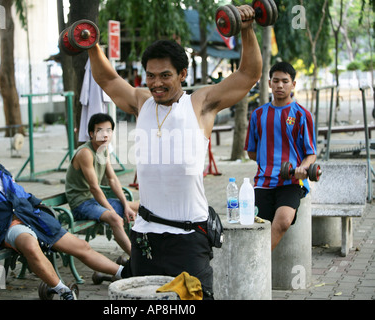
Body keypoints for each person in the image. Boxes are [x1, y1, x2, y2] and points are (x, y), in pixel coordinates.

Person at [87, 5, 262, 299]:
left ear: (182, 74)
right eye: (151, 76)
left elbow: (249, 73)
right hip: (145, 236)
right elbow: (106, 79)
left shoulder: (200, 104)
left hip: (189, 238)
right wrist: (91, 44)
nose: (156, 83)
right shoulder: (141, 102)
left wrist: (246, 28)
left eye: (165, 75)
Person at [0, 129, 124, 300]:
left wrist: (37, 204)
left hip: (31, 217)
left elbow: (21, 194)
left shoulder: (0, 171)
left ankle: (124, 273)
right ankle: (63, 291)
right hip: (4, 226)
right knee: (30, 244)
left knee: (81, 246)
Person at [244, 61, 317, 251]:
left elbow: (311, 154)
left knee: (283, 221)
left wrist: (302, 168)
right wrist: (268, 160)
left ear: (293, 84)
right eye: (275, 81)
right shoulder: (258, 115)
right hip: (264, 181)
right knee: (257, 227)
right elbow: (251, 151)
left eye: (285, 81)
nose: (280, 85)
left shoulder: (302, 115)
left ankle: (258, 264)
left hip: (291, 182)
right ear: (269, 83)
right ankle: (260, 267)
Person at [65, 113, 139, 256]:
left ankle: (149, 249)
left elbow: (112, 179)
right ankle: (136, 260)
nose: (105, 135)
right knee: (115, 219)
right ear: (91, 133)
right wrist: (111, 210)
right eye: (100, 131)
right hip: (81, 204)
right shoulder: (85, 153)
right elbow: (94, 187)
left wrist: (125, 205)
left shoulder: (103, 150)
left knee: (141, 207)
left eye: (109, 130)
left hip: (95, 201)